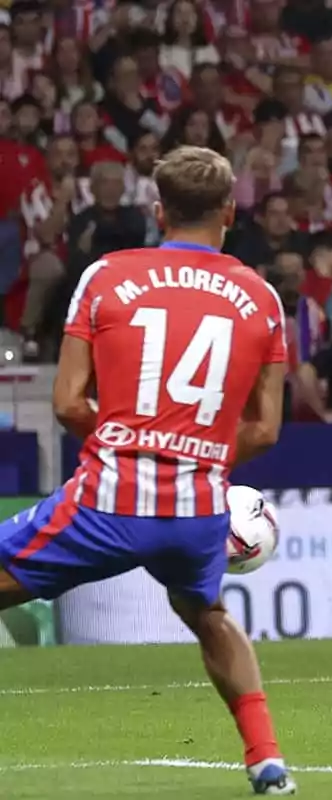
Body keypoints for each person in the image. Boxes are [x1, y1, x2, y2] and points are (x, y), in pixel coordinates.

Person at [0, 146, 297, 795]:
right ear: (229, 211)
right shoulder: (261, 296)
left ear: (158, 210)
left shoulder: (107, 276)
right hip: (196, 511)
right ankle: (266, 758)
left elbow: (68, 402)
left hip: (111, 497)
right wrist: (195, 455)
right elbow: (266, 429)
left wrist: (128, 443)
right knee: (207, 613)